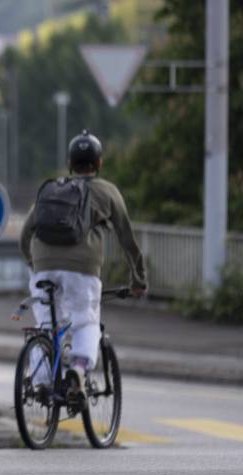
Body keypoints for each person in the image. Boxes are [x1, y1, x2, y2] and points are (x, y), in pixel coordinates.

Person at [19, 130, 146, 394]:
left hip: (43, 264)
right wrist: (138, 279)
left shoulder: (53, 190)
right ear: (99, 163)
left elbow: (24, 234)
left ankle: (41, 383)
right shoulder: (108, 191)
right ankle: (78, 369)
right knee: (85, 321)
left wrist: (35, 265)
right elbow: (126, 238)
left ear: (69, 163)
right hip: (82, 268)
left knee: (46, 325)